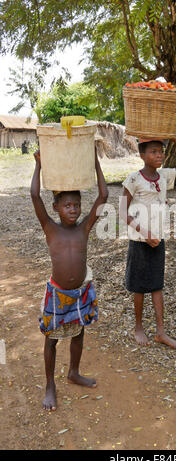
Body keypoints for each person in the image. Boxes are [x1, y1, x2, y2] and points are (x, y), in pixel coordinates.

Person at [31, 148, 108, 411]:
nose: (73, 210)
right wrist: (39, 165)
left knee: (78, 334)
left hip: (81, 292)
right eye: (67, 205)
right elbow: (33, 195)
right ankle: (50, 385)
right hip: (57, 293)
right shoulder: (50, 228)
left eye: (76, 205)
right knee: (52, 339)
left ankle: (74, 372)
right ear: (56, 208)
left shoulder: (84, 227)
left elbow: (104, 195)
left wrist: (95, 161)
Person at [120, 136, 176, 349]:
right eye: (153, 151)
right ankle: (138, 327)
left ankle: (161, 332)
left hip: (158, 239)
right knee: (138, 286)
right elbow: (122, 212)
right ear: (142, 155)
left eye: (161, 151)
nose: (159, 155)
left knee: (157, 284)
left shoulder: (164, 176)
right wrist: (144, 232)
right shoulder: (134, 179)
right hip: (139, 240)